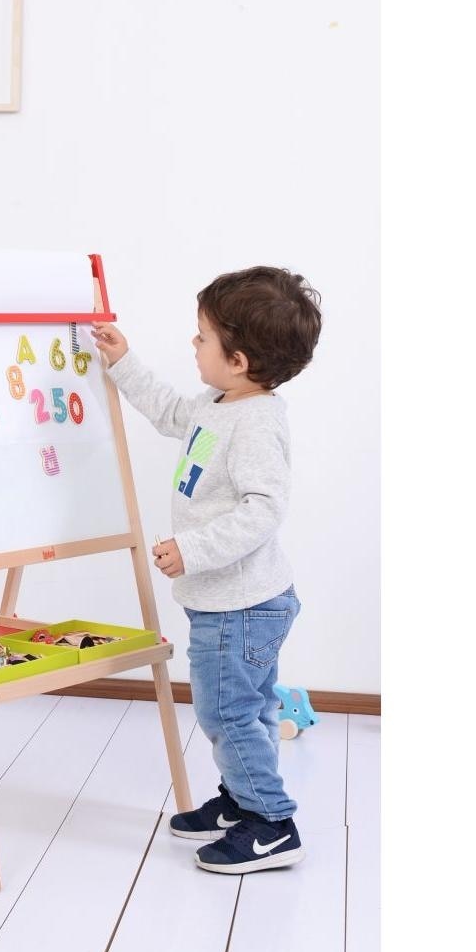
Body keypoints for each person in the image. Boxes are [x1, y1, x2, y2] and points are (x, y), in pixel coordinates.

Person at [89, 265, 323, 874]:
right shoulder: (219, 405)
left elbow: (264, 509)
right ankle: (239, 803)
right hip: (236, 600)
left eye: (201, 338)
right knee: (251, 707)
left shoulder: (256, 423)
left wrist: (193, 550)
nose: (193, 346)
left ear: (239, 359)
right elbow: (170, 413)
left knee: (227, 713)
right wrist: (123, 361)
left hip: (240, 605)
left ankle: (271, 822)